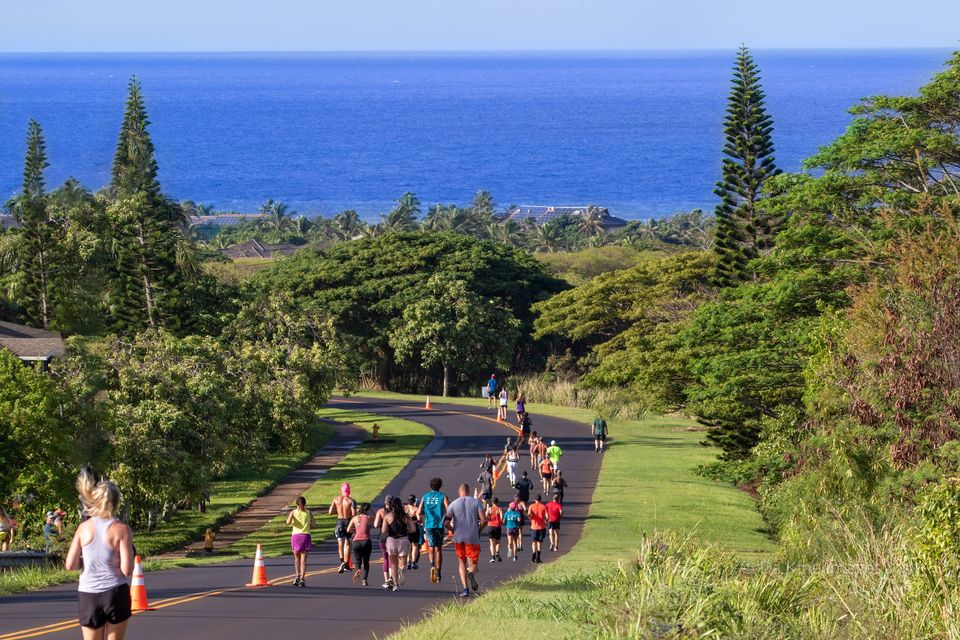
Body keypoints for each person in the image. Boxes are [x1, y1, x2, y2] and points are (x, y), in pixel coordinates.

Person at [65, 470, 134, 640]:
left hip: (88, 594)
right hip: (115, 592)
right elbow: (127, 570)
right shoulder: (122, 530)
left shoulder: (83, 528)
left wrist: (87, 561)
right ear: (116, 502)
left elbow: (70, 565)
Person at [444, 483, 487, 598]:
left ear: (459, 492)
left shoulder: (453, 504)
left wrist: (453, 530)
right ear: (468, 491)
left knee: (461, 562)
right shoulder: (476, 502)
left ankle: (465, 589)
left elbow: (446, 522)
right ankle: (471, 574)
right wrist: (479, 530)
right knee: (473, 562)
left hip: (458, 537)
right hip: (472, 536)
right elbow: (484, 520)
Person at [381, 496, 416, 591]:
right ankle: (401, 572)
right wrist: (407, 529)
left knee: (393, 564)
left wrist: (388, 527)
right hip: (403, 539)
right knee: (403, 563)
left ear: (392, 506)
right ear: (400, 505)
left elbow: (383, 530)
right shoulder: (406, 516)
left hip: (392, 540)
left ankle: (396, 585)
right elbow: (413, 529)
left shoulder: (388, 516)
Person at [418, 478, 449, 584]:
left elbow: (418, 511)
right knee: (439, 549)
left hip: (429, 524)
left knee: (431, 547)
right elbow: (448, 510)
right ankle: (438, 572)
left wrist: (423, 515)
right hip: (439, 525)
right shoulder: (443, 496)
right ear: (440, 486)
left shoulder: (425, 497)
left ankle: (432, 566)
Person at [285, 496, 315, 587]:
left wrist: (292, 514)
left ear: (297, 504)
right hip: (305, 536)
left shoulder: (293, 512)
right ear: (305, 504)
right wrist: (308, 524)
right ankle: (302, 578)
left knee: (296, 558)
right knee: (303, 560)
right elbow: (314, 525)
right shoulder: (309, 513)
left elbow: (288, 522)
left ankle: (297, 576)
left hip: (296, 536)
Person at [329, 482, 356, 573]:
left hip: (339, 522)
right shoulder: (351, 500)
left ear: (341, 489)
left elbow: (330, 512)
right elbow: (354, 513)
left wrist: (338, 512)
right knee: (348, 543)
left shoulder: (336, 499)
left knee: (340, 542)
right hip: (348, 522)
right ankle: (346, 563)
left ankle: (342, 561)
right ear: (349, 490)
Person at [347, 502, 373, 586]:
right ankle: (364, 580)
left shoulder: (355, 518)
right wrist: (371, 510)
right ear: (368, 510)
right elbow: (376, 518)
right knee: (366, 561)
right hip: (366, 541)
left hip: (356, 541)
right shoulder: (369, 518)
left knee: (358, 561)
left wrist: (355, 531)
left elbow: (348, 530)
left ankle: (358, 569)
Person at [373, 496, 394, 589]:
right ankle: (391, 578)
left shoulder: (380, 511)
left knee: (385, 558)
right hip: (392, 536)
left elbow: (375, 524)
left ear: (385, 502)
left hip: (383, 536)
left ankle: (386, 580)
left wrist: (382, 524)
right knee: (392, 558)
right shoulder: (395, 512)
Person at [527, 495, 548, 563]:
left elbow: (529, 515)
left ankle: (534, 553)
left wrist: (531, 518)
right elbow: (547, 517)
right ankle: (538, 557)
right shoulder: (543, 506)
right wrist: (546, 521)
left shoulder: (531, 506)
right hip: (542, 527)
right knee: (539, 542)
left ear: (534, 500)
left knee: (534, 542)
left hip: (534, 527)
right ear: (540, 500)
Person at [404, 495, 422, 570]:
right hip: (414, 529)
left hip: (407, 529)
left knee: (408, 546)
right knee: (415, 546)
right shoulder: (416, 509)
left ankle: (408, 562)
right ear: (414, 501)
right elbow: (419, 519)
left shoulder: (405, 508)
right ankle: (414, 562)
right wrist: (418, 520)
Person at [486, 497, 503, 562]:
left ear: (492, 503)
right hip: (497, 526)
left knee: (491, 542)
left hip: (490, 526)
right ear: (497, 502)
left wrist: (489, 518)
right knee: (497, 541)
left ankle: (493, 557)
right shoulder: (499, 509)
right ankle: (497, 552)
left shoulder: (489, 509)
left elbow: (486, 516)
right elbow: (501, 519)